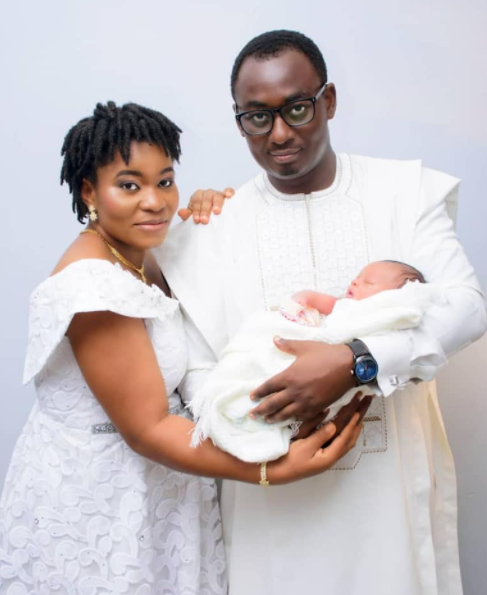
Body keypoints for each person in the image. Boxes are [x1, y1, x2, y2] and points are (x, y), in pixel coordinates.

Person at [157, 30, 487, 595]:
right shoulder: (210, 229)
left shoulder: (405, 191)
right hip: (269, 501)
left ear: (328, 101)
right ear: (239, 122)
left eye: (297, 108)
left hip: (388, 494)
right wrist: (263, 442)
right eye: (257, 117)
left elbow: (466, 307)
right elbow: (196, 371)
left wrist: (355, 360)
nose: (279, 133)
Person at [0, 101, 370, 595]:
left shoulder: (136, 255)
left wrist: (205, 214)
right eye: (129, 185)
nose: (154, 201)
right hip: (104, 505)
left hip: (155, 490)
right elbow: (148, 428)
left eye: (166, 181)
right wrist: (271, 470)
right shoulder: (95, 287)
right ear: (89, 191)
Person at [191, 260, 440, 464]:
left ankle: (250, 419)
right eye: (357, 277)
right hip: (301, 348)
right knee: (262, 348)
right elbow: (320, 301)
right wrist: (304, 300)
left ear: (390, 300)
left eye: (368, 282)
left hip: (338, 373)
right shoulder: (344, 306)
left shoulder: (378, 317)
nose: (355, 282)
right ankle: (239, 406)